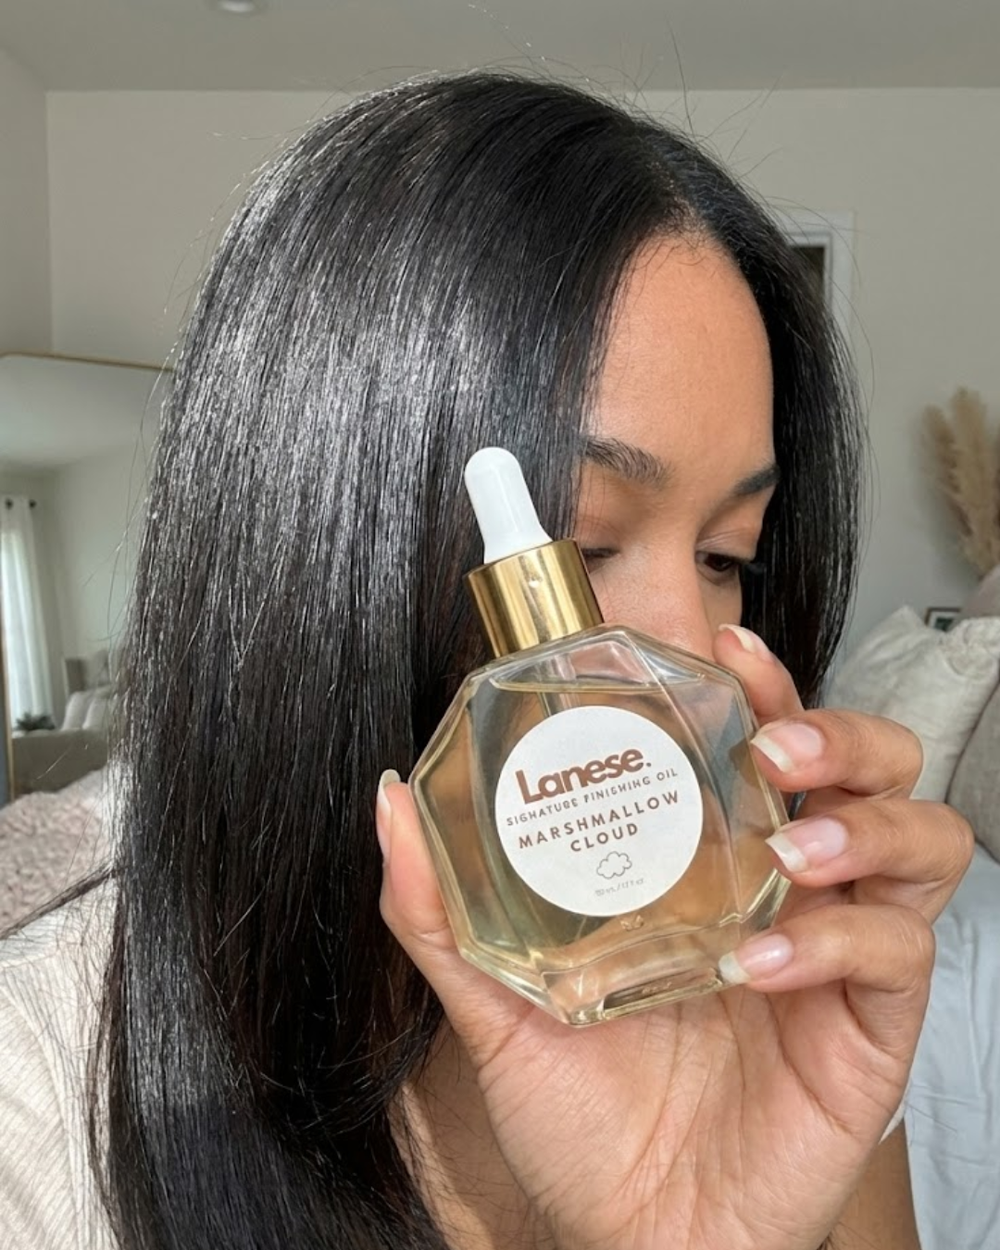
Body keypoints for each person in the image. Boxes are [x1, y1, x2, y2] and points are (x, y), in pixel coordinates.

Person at [0, 72, 972, 1250]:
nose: (675, 649)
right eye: (588, 541)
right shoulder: (41, 1100)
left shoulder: (775, 993)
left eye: (728, 554)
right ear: (314, 559)